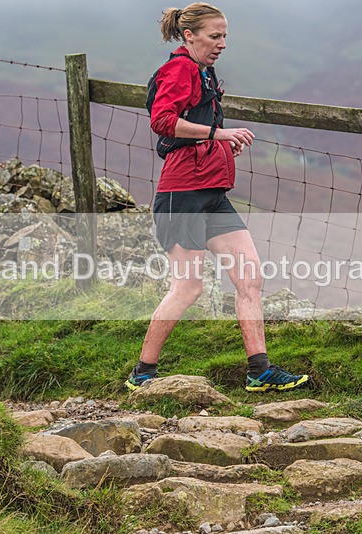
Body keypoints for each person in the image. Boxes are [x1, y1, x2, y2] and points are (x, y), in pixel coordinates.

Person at [125, 2, 309, 393]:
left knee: (250, 277)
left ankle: (259, 371)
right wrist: (218, 136)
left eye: (225, 35)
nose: (222, 43)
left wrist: (223, 147)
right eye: (215, 36)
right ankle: (142, 373)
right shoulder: (179, 69)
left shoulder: (203, 70)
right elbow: (161, 121)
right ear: (189, 35)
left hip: (212, 195)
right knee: (188, 287)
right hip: (183, 195)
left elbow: (197, 127)